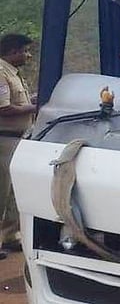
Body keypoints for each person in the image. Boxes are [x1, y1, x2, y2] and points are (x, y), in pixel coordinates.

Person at [0, 33, 37, 257]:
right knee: (2, 191)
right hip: (4, 139)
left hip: (18, 138)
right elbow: (3, 108)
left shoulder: (12, 72)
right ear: (13, 51)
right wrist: (34, 107)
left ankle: (11, 235)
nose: (28, 55)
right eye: (25, 51)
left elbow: (17, 102)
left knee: (14, 190)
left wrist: (31, 100)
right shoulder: (0, 72)